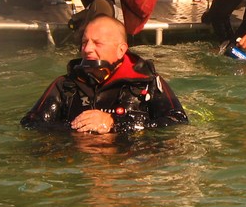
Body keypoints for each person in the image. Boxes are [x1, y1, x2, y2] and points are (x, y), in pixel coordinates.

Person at [21, 15, 188, 134]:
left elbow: (177, 121)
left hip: (130, 163)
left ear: (121, 50)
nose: (87, 49)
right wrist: (76, 131)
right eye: (84, 42)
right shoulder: (66, 85)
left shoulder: (147, 82)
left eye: (97, 43)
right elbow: (31, 124)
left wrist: (114, 124)